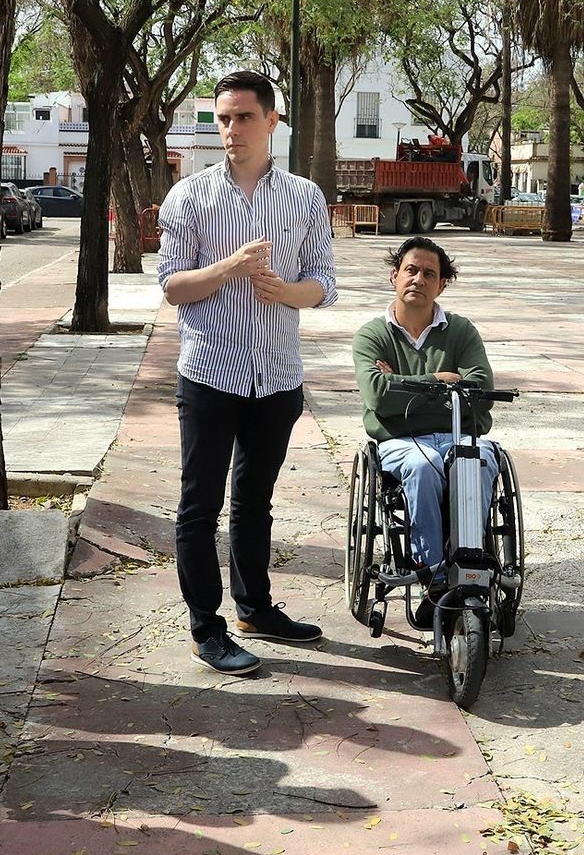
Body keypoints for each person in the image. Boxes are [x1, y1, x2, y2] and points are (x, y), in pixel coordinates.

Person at [157, 69, 338, 675]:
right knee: (198, 504)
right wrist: (230, 267)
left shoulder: (304, 197)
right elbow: (174, 287)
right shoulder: (190, 196)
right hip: (209, 371)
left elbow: (324, 285)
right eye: (222, 118)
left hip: (277, 377)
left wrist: (285, 290)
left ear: (271, 122)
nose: (230, 129)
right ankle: (205, 626)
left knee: (254, 501)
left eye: (243, 117)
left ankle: (254, 608)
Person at [352, 236, 498, 623]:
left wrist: (403, 384)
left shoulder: (461, 331)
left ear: (441, 284)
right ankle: (434, 579)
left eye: (429, 273)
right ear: (394, 276)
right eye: (411, 270)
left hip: (458, 437)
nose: (418, 279)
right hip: (399, 443)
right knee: (422, 465)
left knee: (479, 460)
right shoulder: (373, 335)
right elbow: (378, 398)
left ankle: (470, 564)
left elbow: (480, 389)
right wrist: (440, 380)